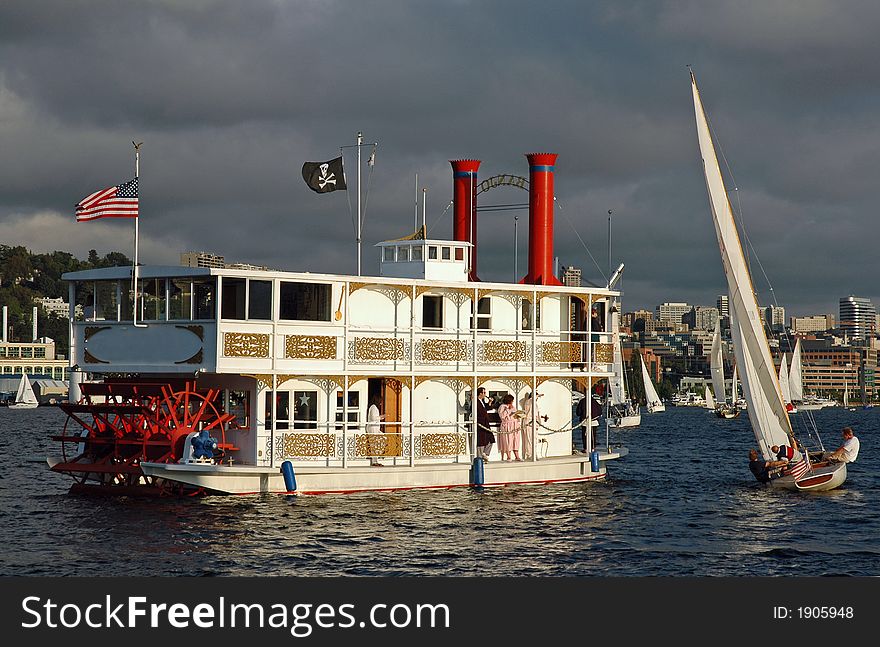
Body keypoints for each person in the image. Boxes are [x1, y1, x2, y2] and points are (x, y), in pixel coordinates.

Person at [497, 394, 522, 461]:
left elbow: (515, 414)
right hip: (507, 425)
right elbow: (502, 416)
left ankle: (517, 456)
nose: (512, 402)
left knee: (515, 440)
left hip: (514, 424)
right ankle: (508, 456)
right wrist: (508, 409)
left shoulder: (513, 406)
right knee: (508, 440)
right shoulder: (502, 406)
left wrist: (519, 415)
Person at [475, 387, 495, 461]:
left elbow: (487, 408)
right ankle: (480, 457)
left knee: (490, 439)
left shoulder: (481, 401)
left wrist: (489, 402)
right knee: (481, 440)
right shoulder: (476, 401)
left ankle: (485, 453)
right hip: (480, 423)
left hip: (485, 423)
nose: (485, 394)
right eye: (484, 393)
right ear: (480, 393)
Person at [366, 394, 386, 466]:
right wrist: (382, 417)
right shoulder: (373, 407)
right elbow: (373, 418)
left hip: (375, 428)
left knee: (383, 439)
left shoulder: (374, 407)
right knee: (374, 444)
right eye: (380, 401)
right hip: (372, 428)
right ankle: (374, 461)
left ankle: (377, 458)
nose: (381, 403)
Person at [520, 392, 535, 460]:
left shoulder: (528, 402)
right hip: (529, 422)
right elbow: (533, 413)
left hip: (528, 421)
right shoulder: (530, 402)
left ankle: (530, 453)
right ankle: (530, 454)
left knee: (529, 439)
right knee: (529, 439)